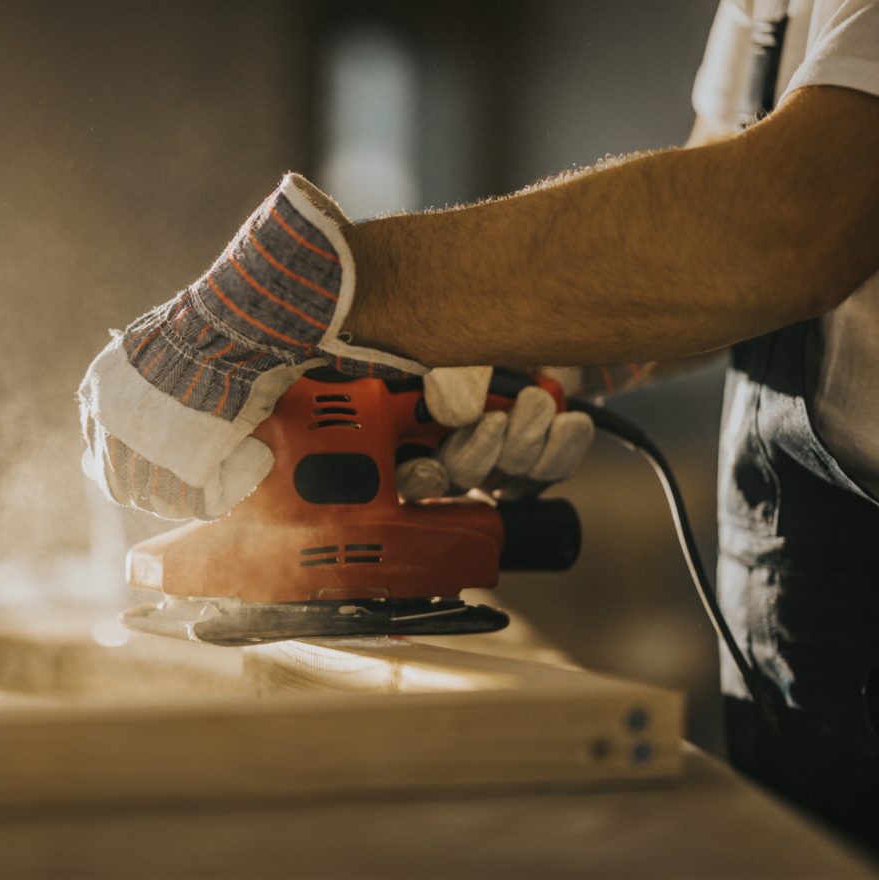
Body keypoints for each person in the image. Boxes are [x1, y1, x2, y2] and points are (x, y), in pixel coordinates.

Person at [79, 0, 879, 849]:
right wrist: (548, 359)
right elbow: (710, 207)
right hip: (796, 621)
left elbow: (789, 220)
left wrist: (307, 291)